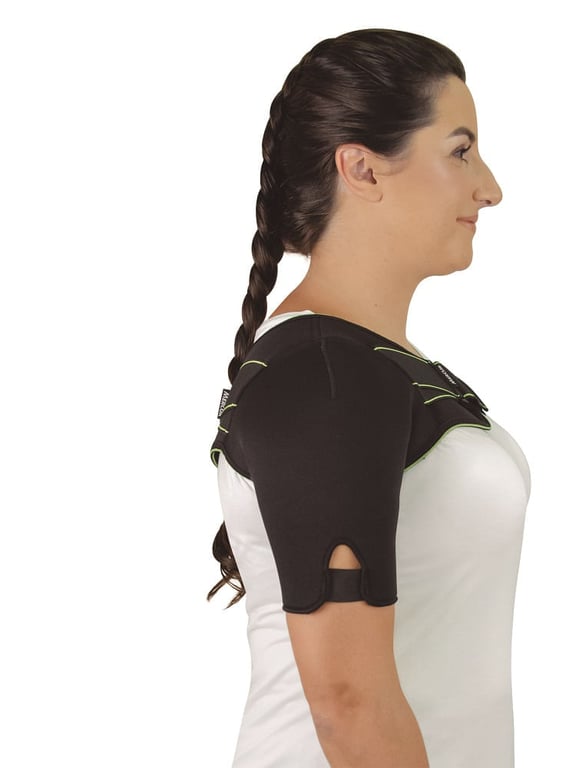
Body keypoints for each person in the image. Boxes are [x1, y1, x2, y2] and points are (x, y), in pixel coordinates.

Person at [208, 28, 531, 768]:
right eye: (460, 151)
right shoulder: (326, 375)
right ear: (361, 168)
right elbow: (348, 705)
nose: (489, 187)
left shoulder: (361, 365)